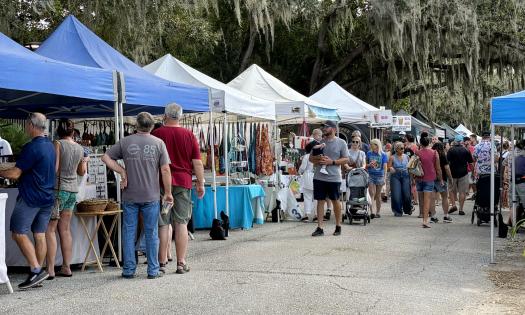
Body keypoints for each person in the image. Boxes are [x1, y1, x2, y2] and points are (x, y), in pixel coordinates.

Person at [102, 112, 173, 279]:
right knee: (151, 232)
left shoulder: (125, 142)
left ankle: (128, 270)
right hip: (151, 195)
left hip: (130, 195)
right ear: (152, 126)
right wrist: (168, 193)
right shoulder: (158, 143)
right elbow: (165, 170)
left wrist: (122, 171)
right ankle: (153, 270)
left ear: (136, 125)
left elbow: (105, 157)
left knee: (129, 232)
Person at [0, 113, 55, 289]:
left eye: (26, 124)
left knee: (17, 232)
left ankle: (35, 270)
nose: (25, 127)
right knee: (39, 234)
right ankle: (36, 276)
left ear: (31, 125)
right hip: (47, 197)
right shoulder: (50, 145)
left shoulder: (31, 147)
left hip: (31, 197)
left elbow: (16, 174)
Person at [152, 103, 205, 274]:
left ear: (165, 115)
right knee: (182, 223)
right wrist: (201, 183)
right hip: (183, 182)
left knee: (163, 223)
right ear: (180, 116)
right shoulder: (189, 135)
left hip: (161, 183)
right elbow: (197, 162)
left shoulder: (157, 134)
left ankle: (161, 262)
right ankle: (181, 263)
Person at [46, 119, 87, 279]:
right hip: (72, 191)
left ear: (58, 130)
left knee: (50, 229)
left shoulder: (57, 144)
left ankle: (50, 270)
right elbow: (81, 172)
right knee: (65, 229)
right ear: (72, 131)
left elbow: (55, 168)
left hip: (58, 189)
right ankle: (66, 267)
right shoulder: (79, 147)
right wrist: (84, 160)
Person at [310, 121, 349, 237]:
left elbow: (346, 159)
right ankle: (320, 227)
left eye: (327, 127)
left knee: (335, 201)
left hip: (334, 177)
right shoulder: (319, 142)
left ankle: (338, 226)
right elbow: (311, 159)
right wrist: (318, 159)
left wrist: (331, 162)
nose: (324, 129)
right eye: (324, 127)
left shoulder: (341, 143)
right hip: (319, 176)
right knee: (320, 201)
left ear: (333, 129)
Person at [416, 135, 442, 228]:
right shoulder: (434, 152)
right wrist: (441, 179)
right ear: (429, 143)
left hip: (419, 178)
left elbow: (412, 166)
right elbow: (438, 168)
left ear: (421, 143)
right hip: (430, 178)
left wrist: (412, 179)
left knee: (421, 200)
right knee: (427, 200)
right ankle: (425, 221)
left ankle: (422, 215)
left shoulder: (417, 152)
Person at [447, 135, 474, 215]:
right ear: (462, 141)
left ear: (455, 141)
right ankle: (461, 209)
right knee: (462, 192)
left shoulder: (450, 150)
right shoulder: (466, 150)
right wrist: (473, 172)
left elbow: (447, 163)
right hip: (464, 173)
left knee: (451, 190)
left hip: (452, 173)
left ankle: (454, 205)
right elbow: (471, 163)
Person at [430, 142, 453, 223]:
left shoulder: (431, 155)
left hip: (431, 178)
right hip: (442, 179)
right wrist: (450, 178)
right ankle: (446, 216)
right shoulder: (443, 155)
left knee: (432, 198)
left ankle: (433, 217)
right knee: (444, 197)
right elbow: (447, 168)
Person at [388, 142, 411, 216]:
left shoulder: (407, 157)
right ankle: (397, 211)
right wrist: (390, 168)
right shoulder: (392, 157)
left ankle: (407, 209)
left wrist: (413, 178)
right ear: (396, 149)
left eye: (403, 148)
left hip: (405, 175)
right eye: (401, 148)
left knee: (407, 195)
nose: (403, 149)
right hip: (395, 176)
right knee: (396, 195)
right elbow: (388, 167)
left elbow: (410, 167)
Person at [366, 139, 388, 218]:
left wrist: (384, 177)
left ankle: (378, 212)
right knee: (372, 193)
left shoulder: (383, 154)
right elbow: (365, 165)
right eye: (371, 144)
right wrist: (369, 165)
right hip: (371, 175)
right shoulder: (368, 153)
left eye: (372, 144)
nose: (371, 146)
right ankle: (372, 212)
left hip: (380, 176)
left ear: (377, 145)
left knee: (378, 195)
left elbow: (385, 167)